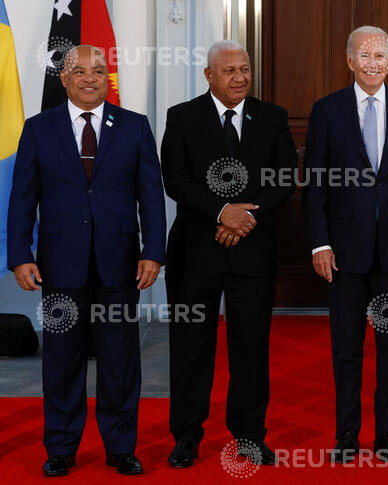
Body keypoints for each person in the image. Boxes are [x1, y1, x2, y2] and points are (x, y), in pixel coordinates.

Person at [7, 45, 166, 477]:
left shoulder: (134, 127)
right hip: (59, 264)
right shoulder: (39, 129)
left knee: (120, 360)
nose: (90, 78)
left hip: (120, 264)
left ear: (107, 77)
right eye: (80, 71)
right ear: (64, 78)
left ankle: (120, 447)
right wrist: (20, 255)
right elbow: (23, 197)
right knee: (61, 360)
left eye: (99, 70)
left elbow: (150, 197)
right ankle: (60, 448)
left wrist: (153, 251)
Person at [161, 40, 296, 468]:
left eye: (245, 69)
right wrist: (222, 212)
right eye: (230, 71)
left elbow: (285, 176)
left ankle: (250, 436)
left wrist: (244, 218)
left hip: (252, 254)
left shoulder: (271, 117)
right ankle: (186, 437)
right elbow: (175, 180)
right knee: (190, 349)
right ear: (209, 76)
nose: (240, 77)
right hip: (195, 254)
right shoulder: (182, 117)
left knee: (251, 351)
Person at [303, 25, 388, 463]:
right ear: (350, 61)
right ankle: (345, 437)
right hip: (343, 255)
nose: (374, 62)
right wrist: (320, 243)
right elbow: (315, 185)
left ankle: (386, 437)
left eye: (382, 55)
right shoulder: (326, 111)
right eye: (366, 55)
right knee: (347, 349)